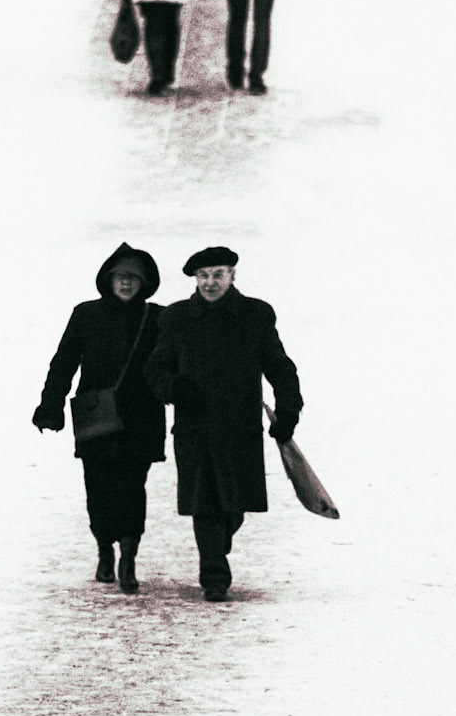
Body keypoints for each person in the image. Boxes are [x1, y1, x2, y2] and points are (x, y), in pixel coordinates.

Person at [146, 246, 303, 601]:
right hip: (194, 428)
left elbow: (279, 366)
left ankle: (218, 543)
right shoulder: (176, 317)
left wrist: (289, 411)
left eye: (218, 274)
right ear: (196, 280)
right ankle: (214, 573)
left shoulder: (255, 315)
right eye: (204, 276)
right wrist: (174, 387)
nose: (210, 282)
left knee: (234, 505)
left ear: (232, 276)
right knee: (204, 504)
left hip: (239, 428)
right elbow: (154, 369)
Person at [34, 243, 166, 593]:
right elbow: (63, 362)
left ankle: (128, 555)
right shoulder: (86, 314)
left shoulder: (158, 318)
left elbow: (180, 365)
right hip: (96, 417)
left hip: (142, 419)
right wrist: (51, 404)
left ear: (145, 283)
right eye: (121, 277)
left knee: (133, 488)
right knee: (99, 488)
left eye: (134, 278)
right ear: (108, 279)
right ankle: (105, 548)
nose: (126, 283)